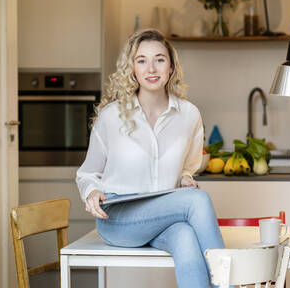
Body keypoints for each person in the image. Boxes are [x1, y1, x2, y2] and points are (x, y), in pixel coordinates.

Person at [76, 28, 224, 288]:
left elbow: (187, 168)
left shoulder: (189, 115)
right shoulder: (112, 116)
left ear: (171, 67)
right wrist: (91, 192)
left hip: (164, 217)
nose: (151, 68)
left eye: (159, 59)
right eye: (141, 60)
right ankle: (230, 281)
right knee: (197, 200)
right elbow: (87, 173)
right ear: (132, 68)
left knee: (186, 238)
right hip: (118, 217)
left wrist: (186, 178)